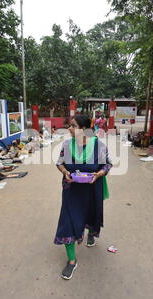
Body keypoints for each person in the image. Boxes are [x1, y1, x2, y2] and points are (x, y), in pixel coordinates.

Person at [55, 114, 112, 280]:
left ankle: (91, 233)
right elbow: (59, 163)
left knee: (90, 216)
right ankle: (72, 261)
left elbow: (107, 164)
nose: (69, 129)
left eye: (73, 126)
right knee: (67, 223)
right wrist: (65, 172)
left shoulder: (99, 146)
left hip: (92, 189)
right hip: (71, 190)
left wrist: (99, 173)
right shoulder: (66, 145)